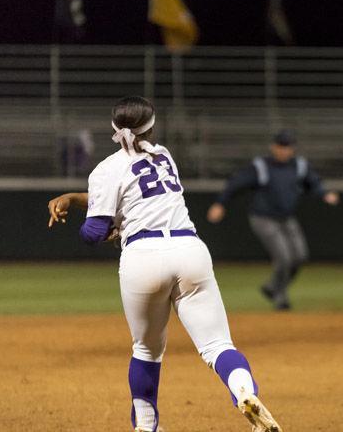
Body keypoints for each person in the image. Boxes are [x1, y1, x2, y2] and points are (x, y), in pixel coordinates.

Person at [47, 96, 282, 432]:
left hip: (143, 257)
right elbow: (137, 195)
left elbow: (94, 230)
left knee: (146, 349)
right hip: (189, 250)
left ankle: (146, 426)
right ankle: (244, 391)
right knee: (218, 345)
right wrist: (76, 197)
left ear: (113, 128)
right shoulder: (163, 156)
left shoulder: (106, 169)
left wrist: (107, 228)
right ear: (152, 127)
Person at [207, 130, 339, 310]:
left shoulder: (299, 166)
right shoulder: (261, 166)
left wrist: (324, 194)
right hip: (263, 218)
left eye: (288, 147)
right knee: (284, 258)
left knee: (300, 256)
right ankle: (280, 296)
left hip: (287, 218)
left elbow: (313, 182)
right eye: (281, 147)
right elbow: (236, 183)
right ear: (273, 147)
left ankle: (272, 287)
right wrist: (220, 204)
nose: (285, 151)